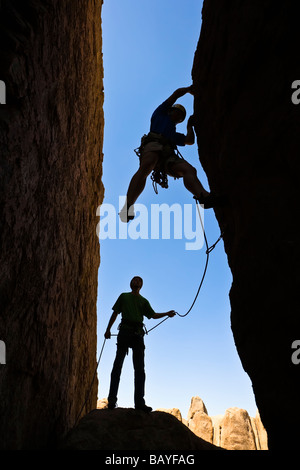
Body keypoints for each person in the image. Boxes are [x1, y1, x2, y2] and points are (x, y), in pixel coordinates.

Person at [119, 85, 218, 223]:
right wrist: (189, 89)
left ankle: (203, 197)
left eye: (181, 117)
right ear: (170, 111)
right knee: (147, 165)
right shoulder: (159, 114)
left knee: (189, 170)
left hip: (167, 155)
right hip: (153, 145)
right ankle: (128, 206)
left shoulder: (173, 134)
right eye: (178, 113)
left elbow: (189, 140)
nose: (179, 117)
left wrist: (189, 126)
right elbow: (176, 94)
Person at [104, 276, 176, 412]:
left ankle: (139, 403)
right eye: (134, 280)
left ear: (141, 285)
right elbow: (115, 313)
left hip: (137, 334)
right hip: (125, 332)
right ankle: (112, 401)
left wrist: (167, 313)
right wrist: (108, 329)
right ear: (130, 283)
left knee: (139, 370)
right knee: (117, 366)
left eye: (139, 280)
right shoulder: (123, 297)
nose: (136, 282)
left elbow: (153, 315)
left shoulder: (144, 301)